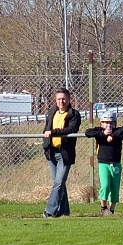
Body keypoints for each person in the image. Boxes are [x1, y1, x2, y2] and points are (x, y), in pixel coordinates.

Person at [42, 88, 81, 218]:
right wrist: (46, 143)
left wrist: (53, 133)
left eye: (64, 99)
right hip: (51, 152)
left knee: (58, 182)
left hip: (64, 154)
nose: (61, 101)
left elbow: (71, 129)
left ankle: (49, 211)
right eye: (59, 99)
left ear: (69, 99)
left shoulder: (74, 114)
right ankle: (64, 211)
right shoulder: (51, 112)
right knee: (59, 184)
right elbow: (46, 129)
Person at [85, 110, 123, 216]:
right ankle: (103, 207)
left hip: (116, 163)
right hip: (103, 163)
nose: (108, 125)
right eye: (105, 122)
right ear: (101, 123)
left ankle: (111, 211)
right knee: (105, 185)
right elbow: (87, 132)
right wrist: (103, 133)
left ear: (115, 123)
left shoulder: (118, 132)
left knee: (115, 187)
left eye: (111, 123)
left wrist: (113, 135)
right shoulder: (99, 131)